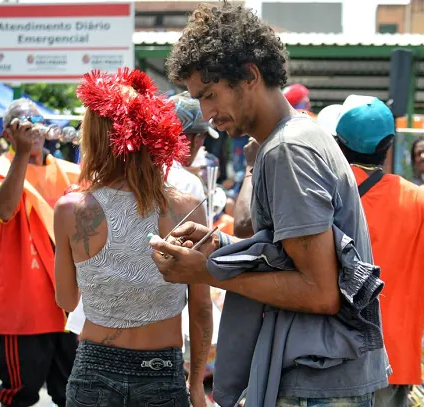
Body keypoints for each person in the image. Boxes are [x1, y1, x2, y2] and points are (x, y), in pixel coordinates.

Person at [151, 3, 389, 406]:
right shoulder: (289, 140)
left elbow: (320, 292)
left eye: (210, 95)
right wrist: (223, 248)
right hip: (317, 375)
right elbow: (291, 257)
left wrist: (208, 271)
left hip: (317, 383)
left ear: (250, 75)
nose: (207, 114)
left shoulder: (288, 151)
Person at [54, 68, 212, 407]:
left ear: (95, 138)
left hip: (93, 370)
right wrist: (196, 385)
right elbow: (200, 309)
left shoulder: (71, 209)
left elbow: (66, 301)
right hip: (161, 372)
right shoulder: (188, 209)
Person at [331, 95, 424, 407]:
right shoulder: (420, 200)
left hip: (328, 354)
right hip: (394, 359)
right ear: (389, 145)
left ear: (337, 142)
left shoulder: (325, 192)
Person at [0, 99, 80, 407]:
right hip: (23, 306)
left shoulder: (70, 172)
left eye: (36, 119)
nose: (32, 126)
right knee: (19, 396)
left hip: (69, 308)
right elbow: (4, 209)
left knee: (74, 395)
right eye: (23, 122)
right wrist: (21, 155)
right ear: (8, 133)